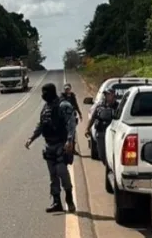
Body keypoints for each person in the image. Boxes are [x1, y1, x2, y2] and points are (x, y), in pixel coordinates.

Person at [25, 82, 77, 213]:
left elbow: (71, 123)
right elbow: (42, 125)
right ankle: (56, 202)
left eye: (45, 92)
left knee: (61, 171)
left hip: (61, 144)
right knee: (53, 175)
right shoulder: (45, 108)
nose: (43, 95)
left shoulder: (63, 105)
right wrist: (31, 138)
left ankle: (69, 199)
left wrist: (70, 141)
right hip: (49, 145)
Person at [86, 86, 119, 166]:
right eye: (106, 94)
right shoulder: (100, 105)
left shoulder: (118, 106)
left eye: (109, 94)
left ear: (113, 95)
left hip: (112, 133)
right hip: (101, 133)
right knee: (101, 154)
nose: (107, 96)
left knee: (112, 154)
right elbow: (93, 117)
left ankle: (111, 168)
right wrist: (87, 128)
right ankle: (107, 165)